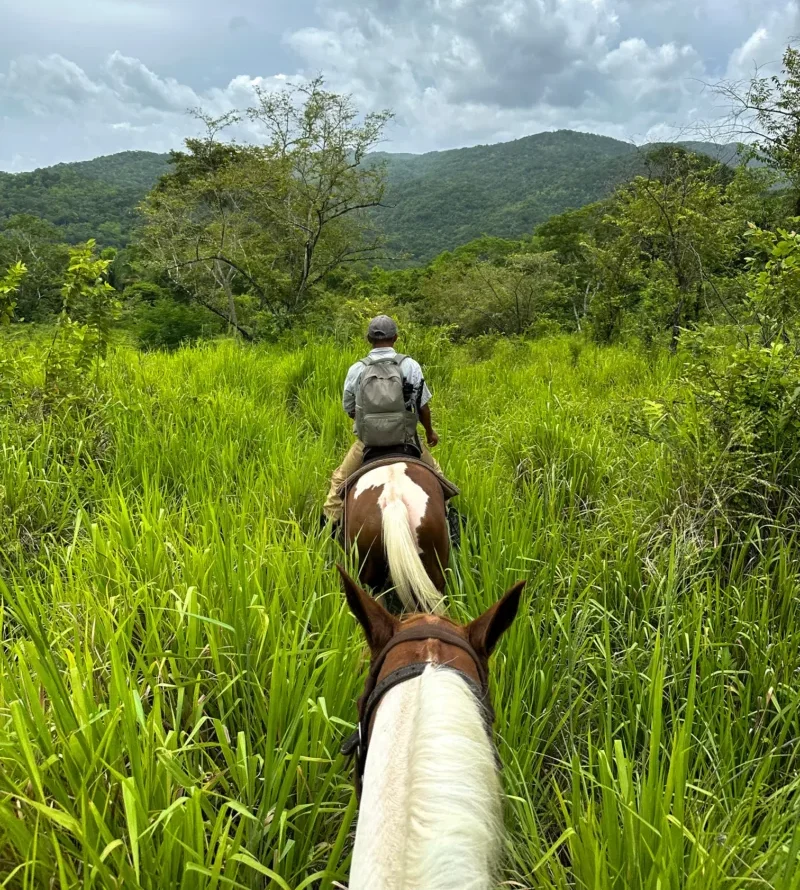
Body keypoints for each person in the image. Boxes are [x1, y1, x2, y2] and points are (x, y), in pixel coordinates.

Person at [322, 315, 444, 529]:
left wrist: (368, 422)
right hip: (406, 439)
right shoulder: (410, 365)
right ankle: (450, 521)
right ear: (395, 338)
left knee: (339, 481)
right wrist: (429, 432)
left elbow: (349, 407)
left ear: (369, 339)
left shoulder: (357, 369)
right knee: (438, 476)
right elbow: (422, 406)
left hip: (368, 442)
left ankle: (327, 529)